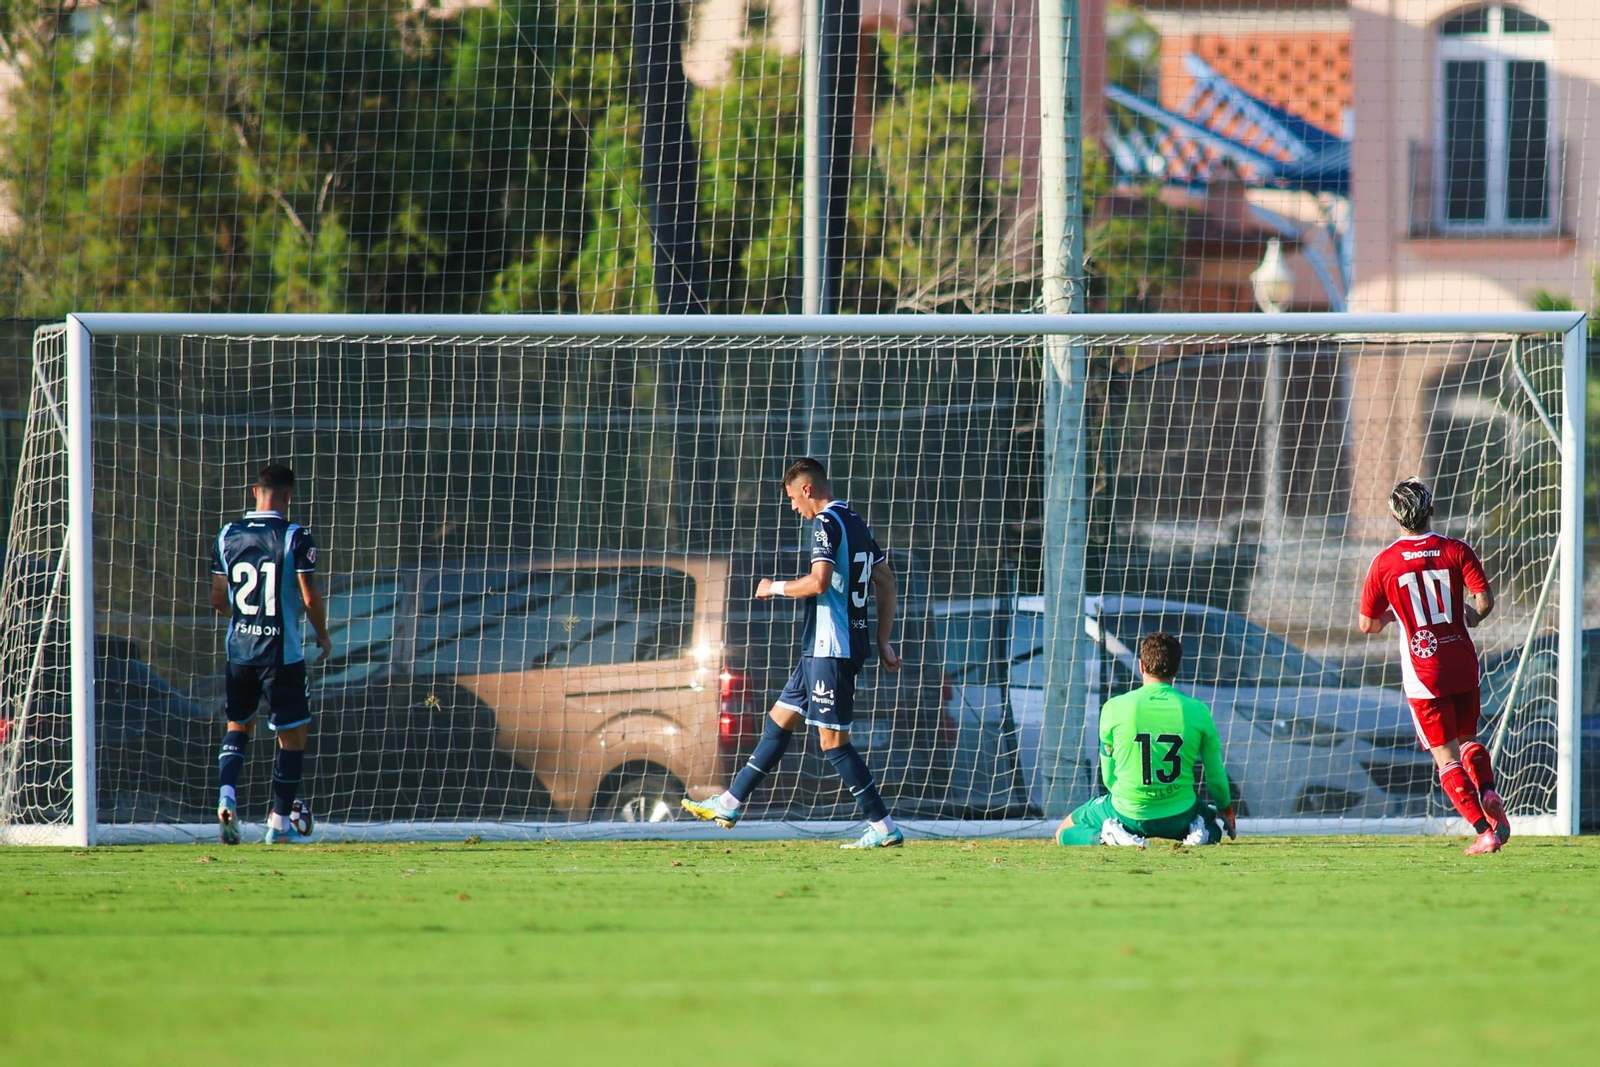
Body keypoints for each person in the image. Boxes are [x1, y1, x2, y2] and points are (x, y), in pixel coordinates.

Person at [683, 458, 905, 848]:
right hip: (831, 644)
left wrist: (774, 588)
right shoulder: (855, 520)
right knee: (779, 719)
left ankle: (884, 826)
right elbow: (885, 578)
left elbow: (819, 583)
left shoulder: (826, 523)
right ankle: (730, 802)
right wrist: (883, 638)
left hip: (830, 646)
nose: (791, 507)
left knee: (833, 742)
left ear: (806, 489)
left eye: (791, 497)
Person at [1359, 477, 1507, 855]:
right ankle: (1488, 790)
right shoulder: (1456, 549)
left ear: (1394, 516)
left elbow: (1367, 625)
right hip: (1462, 661)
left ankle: (1482, 831)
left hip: (1424, 673)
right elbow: (1485, 600)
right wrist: (1471, 617)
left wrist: (1394, 616)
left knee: (1445, 757)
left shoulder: (1385, 563)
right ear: (1432, 511)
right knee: (1469, 738)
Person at [209, 464, 334, 845]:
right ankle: (279, 825)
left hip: (240, 652)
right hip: (282, 655)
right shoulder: (296, 535)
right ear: (287, 496)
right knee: (293, 737)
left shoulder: (227, 533)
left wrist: (248, 619)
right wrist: (324, 637)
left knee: (238, 727)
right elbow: (310, 598)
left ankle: (227, 795)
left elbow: (217, 599)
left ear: (254, 492)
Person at [1057, 631, 1237, 848]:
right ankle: (1201, 834)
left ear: (1142, 666)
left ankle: (1107, 837)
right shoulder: (1197, 710)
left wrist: (1138, 798)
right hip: (1179, 815)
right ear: (1177, 669)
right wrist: (1226, 809)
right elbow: (1216, 776)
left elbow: (1109, 778)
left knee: (1064, 831)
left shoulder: (1114, 707)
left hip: (1128, 813)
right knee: (1213, 824)